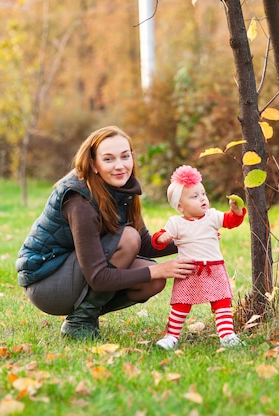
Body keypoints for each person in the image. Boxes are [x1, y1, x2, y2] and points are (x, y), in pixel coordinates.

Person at [16, 126, 196, 341]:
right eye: (108, 159)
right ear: (93, 164)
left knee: (153, 280)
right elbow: (99, 277)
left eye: (125, 156)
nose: (120, 166)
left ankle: (84, 316)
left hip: (74, 271)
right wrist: (160, 270)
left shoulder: (123, 189)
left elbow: (146, 244)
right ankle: (80, 322)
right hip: (46, 281)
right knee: (130, 241)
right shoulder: (79, 200)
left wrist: (193, 234)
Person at [151, 165, 246, 350]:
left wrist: (236, 212)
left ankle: (227, 335)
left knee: (222, 301)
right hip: (189, 269)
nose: (202, 198)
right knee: (181, 303)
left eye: (203, 193)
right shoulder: (176, 222)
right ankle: (171, 336)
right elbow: (159, 239)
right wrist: (162, 238)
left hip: (214, 269)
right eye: (194, 196)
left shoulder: (212, 216)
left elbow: (230, 221)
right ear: (180, 206)